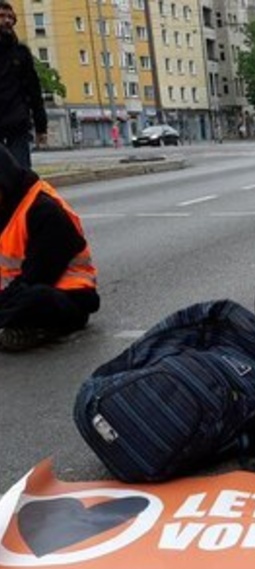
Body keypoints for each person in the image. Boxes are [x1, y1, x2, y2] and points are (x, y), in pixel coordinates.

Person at [0, 146, 99, 352]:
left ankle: (28, 329)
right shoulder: (6, 204)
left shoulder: (45, 211)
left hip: (65, 297)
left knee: (35, 298)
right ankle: (12, 327)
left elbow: (36, 277)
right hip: (13, 293)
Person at [0, 1, 48, 168]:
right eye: (2, 16)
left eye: (10, 17)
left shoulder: (21, 53)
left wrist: (41, 126)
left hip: (17, 125)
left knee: (20, 180)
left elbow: (34, 91)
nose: (7, 21)